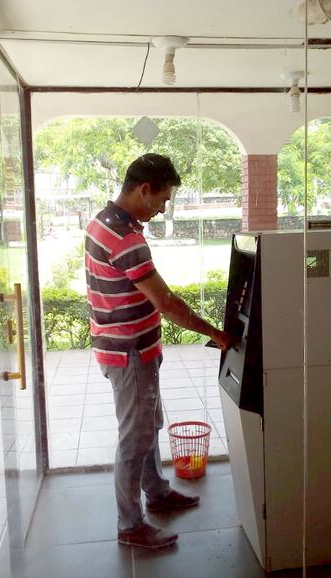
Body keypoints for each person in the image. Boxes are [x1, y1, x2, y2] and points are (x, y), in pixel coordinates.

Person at [84, 153, 233, 549]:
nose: (164, 207)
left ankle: (157, 492)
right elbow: (166, 302)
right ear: (144, 189)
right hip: (128, 353)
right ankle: (130, 526)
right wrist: (216, 334)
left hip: (133, 348)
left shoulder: (106, 220)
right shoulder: (125, 237)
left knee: (148, 426)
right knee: (134, 438)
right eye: (163, 199)